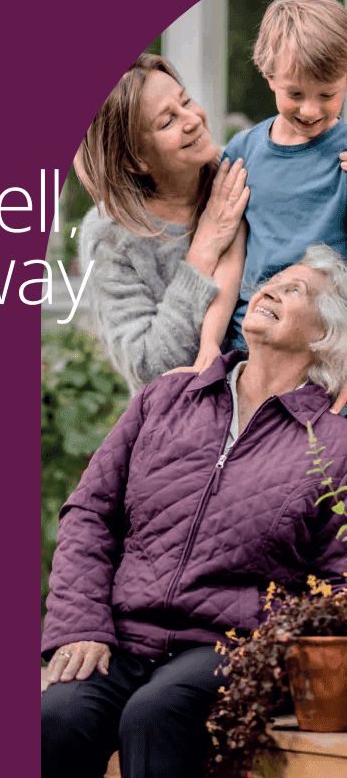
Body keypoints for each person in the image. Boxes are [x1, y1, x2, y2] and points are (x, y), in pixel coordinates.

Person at [41, 244, 347, 778]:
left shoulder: (334, 443)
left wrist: (273, 644)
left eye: (295, 290)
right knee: (57, 716)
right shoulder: (166, 397)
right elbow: (90, 513)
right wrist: (80, 626)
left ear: (324, 335)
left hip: (230, 648)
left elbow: (337, 581)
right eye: (272, 280)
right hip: (121, 633)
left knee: (156, 715)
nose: (270, 288)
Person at [202, 0, 347, 412]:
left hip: (324, 354)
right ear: (268, 76)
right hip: (249, 348)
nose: (310, 110)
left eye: (328, 94)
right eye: (295, 94)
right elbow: (232, 258)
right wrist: (210, 343)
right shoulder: (243, 154)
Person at [75, 53, 250, 396]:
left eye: (185, 101)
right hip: (188, 428)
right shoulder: (109, 235)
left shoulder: (242, 173)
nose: (193, 120)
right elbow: (150, 369)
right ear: (135, 159)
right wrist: (204, 248)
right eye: (167, 122)